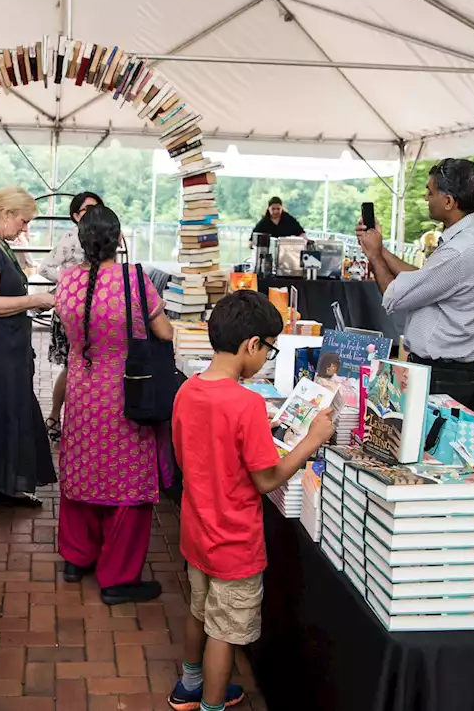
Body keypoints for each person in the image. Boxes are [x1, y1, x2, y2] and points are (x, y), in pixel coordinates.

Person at [169, 291, 334, 711]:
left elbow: (190, 455)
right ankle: (211, 704)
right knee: (225, 631)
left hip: (197, 530)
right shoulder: (246, 404)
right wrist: (311, 440)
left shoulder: (187, 391)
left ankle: (190, 684)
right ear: (251, 346)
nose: (267, 359)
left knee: (198, 609)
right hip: (234, 541)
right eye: (269, 349)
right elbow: (268, 478)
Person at [55, 206, 172, 605]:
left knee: (81, 470)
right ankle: (117, 578)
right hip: (126, 393)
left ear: (83, 241)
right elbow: (164, 331)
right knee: (127, 483)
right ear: (118, 238)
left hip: (82, 392)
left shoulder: (66, 282)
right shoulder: (136, 281)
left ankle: (77, 558)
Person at [355, 158, 474, 411]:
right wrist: (380, 249)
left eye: (430, 192)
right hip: (454, 372)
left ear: (449, 201)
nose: (425, 198)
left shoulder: (459, 251)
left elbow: (394, 296)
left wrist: (375, 256)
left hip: (445, 375)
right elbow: (426, 278)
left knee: (426, 449)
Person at [0, 187, 57, 524]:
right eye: (23, 221)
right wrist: (35, 300)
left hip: (9, 350)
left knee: (9, 414)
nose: (24, 228)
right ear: (6, 215)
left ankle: (5, 484)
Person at [38, 190, 104, 436]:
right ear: (76, 216)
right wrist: (72, 283)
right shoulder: (70, 238)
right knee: (72, 366)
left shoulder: (103, 239)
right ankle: (55, 416)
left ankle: (84, 420)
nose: (92, 214)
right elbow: (44, 268)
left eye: (97, 208)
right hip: (71, 312)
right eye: (87, 209)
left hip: (98, 310)